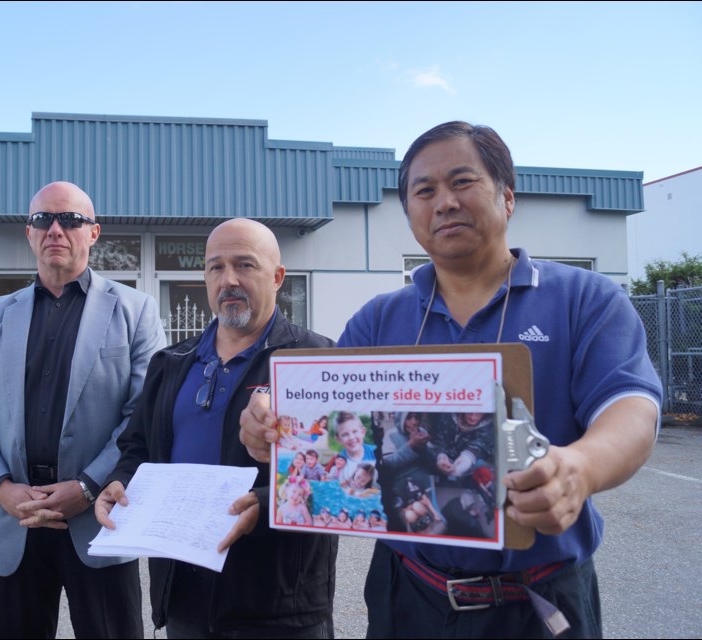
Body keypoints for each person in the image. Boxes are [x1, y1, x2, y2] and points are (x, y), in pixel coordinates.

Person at [239, 121, 662, 638]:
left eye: (462, 182)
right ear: (411, 213)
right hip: (406, 593)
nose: (443, 203)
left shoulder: (585, 299)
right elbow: (321, 408)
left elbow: (631, 407)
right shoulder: (380, 319)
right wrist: (266, 416)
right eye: (424, 191)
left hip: (540, 599)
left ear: (507, 197)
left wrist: (582, 467)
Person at [95, 218, 338, 638]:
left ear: (278, 277)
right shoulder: (171, 363)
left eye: (245, 265)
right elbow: (137, 447)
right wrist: (119, 481)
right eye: (215, 267)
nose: (228, 279)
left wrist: (264, 503)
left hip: (279, 604)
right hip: (185, 595)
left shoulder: (317, 360)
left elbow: (343, 477)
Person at [0, 181, 166, 639]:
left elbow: (142, 415)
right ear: (28, 233)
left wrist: (87, 486)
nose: (55, 230)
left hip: (98, 520)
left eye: (70, 219)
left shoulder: (135, 311)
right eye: (42, 219)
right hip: (14, 519)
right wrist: (1, 489)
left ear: (94, 233)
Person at [333, 411, 377, 487]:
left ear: (363, 432)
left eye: (355, 431)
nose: (351, 437)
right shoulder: (338, 461)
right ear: (338, 439)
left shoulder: (376, 452)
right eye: (345, 434)